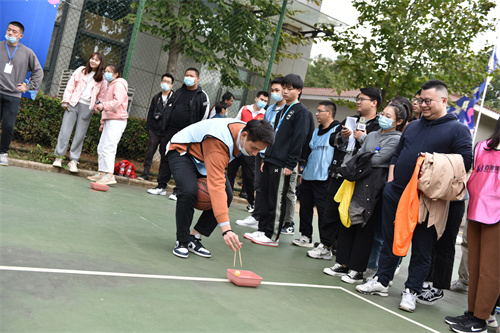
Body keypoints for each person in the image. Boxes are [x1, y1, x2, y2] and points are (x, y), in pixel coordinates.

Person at [356, 79, 472, 313]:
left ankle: (412, 290)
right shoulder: (413, 126)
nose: (423, 104)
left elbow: (464, 163)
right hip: (396, 192)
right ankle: (382, 280)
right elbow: (397, 155)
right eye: (420, 100)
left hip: (427, 198)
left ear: (444, 101)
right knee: (390, 239)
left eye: (427, 101)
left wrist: (431, 162)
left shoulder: (457, 129)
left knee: (422, 245)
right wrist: (391, 183)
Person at [167, 118, 275, 258]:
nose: (255, 154)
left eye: (259, 151)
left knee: (228, 195)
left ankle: (194, 237)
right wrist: (226, 230)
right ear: (244, 136)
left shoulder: (250, 132)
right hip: (183, 151)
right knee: (188, 191)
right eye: (254, 149)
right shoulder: (219, 141)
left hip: (206, 156)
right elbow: (216, 186)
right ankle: (182, 241)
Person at [324, 102, 405, 284]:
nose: (383, 118)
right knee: (348, 221)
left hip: (374, 185)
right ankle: (342, 263)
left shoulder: (396, 139)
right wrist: (366, 155)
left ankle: (357, 269)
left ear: (398, 121)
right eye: (383, 113)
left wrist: (365, 156)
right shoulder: (373, 134)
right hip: (357, 181)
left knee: (364, 226)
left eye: (389, 116)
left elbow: (379, 159)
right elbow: (360, 153)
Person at [308, 87, 381, 260]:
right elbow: (334, 141)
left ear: (374, 102)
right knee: (329, 211)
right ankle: (325, 245)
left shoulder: (378, 126)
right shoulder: (350, 120)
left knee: (350, 215)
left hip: (360, 177)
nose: (358, 102)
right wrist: (343, 135)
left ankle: (341, 250)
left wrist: (363, 137)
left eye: (362, 99)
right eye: (358, 98)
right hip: (340, 172)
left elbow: (377, 150)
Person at [243, 74, 313, 247]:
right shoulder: (282, 110)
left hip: (283, 163)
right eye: (285, 88)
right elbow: (274, 136)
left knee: (276, 198)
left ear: (299, 91)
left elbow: (299, 139)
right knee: (266, 196)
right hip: (271, 159)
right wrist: (266, 157)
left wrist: (291, 163)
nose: (285, 91)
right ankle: (263, 229)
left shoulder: (301, 112)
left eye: (290, 89)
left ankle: (272, 235)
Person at [444, 118, 500, 333]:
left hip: (497, 216)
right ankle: (471, 313)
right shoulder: (482, 147)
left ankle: (482, 320)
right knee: (475, 267)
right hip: (476, 211)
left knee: (491, 271)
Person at [236, 77, 298, 231]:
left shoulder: (292, 112)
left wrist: (293, 161)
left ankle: (280, 223)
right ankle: (257, 216)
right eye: (274, 91)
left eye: (279, 90)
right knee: (259, 185)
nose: (277, 93)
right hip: (263, 154)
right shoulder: (269, 110)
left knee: (277, 191)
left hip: (278, 158)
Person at [147, 68, 210, 198]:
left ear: (197, 79)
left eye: (191, 76)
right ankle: (161, 186)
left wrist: (196, 134)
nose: (188, 77)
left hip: (188, 135)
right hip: (171, 131)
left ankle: (178, 191)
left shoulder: (201, 95)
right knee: (166, 157)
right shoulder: (178, 92)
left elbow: (204, 116)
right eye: (186, 75)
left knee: (183, 162)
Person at [292, 101, 340, 248]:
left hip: (324, 178)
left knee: (324, 212)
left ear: (329, 113)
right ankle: (306, 236)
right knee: (305, 207)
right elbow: (309, 150)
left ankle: (326, 243)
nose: (317, 114)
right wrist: (303, 168)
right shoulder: (315, 131)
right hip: (308, 175)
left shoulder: (338, 130)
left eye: (320, 111)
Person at [52, 52, 107, 173]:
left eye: (96, 60)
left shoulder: (102, 79)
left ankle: (73, 161)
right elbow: (70, 85)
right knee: (65, 130)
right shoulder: (81, 70)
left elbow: (102, 95)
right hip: (73, 103)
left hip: (87, 107)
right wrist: (66, 101)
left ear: (100, 63)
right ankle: (59, 157)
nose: (93, 61)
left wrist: (96, 106)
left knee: (80, 134)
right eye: (91, 58)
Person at [0, 21, 43, 166]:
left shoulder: (27, 52)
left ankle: (3, 153)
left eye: (14, 31)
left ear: (21, 36)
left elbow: (38, 72)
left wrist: (28, 86)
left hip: (13, 96)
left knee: (8, 126)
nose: (10, 33)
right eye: (8, 30)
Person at [227, 91, 268, 213]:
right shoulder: (245, 109)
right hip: (238, 146)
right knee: (231, 173)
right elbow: (235, 123)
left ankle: (251, 202)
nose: (263, 102)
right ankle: (225, 198)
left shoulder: (265, 114)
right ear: (256, 98)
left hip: (251, 149)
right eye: (262, 99)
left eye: (266, 101)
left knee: (249, 176)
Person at [87, 64, 128, 185]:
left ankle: (110, 175)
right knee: (102, 147)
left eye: (109, 71)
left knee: (109, 147)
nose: (106, 73)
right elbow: (107, 105)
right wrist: (102, 122)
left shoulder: (119, 85)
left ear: (116, 74)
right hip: (110, 120)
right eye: (105, 71)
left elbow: (116, 102)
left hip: (117, 120)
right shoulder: (110, 86)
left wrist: (102, 106)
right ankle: (102, 172)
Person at [138, 73, 175, 181]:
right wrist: (149, 128)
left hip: (166, 132)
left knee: (164, 156)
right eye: (164, 81)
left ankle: (161, 178)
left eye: (168, 82)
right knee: (150, 153)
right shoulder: (156, 98)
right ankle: (145, 174)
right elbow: (150, 113)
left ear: (172, 85)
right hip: (154, 131)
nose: (165, 84)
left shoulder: (174, 98)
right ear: (160, 82)